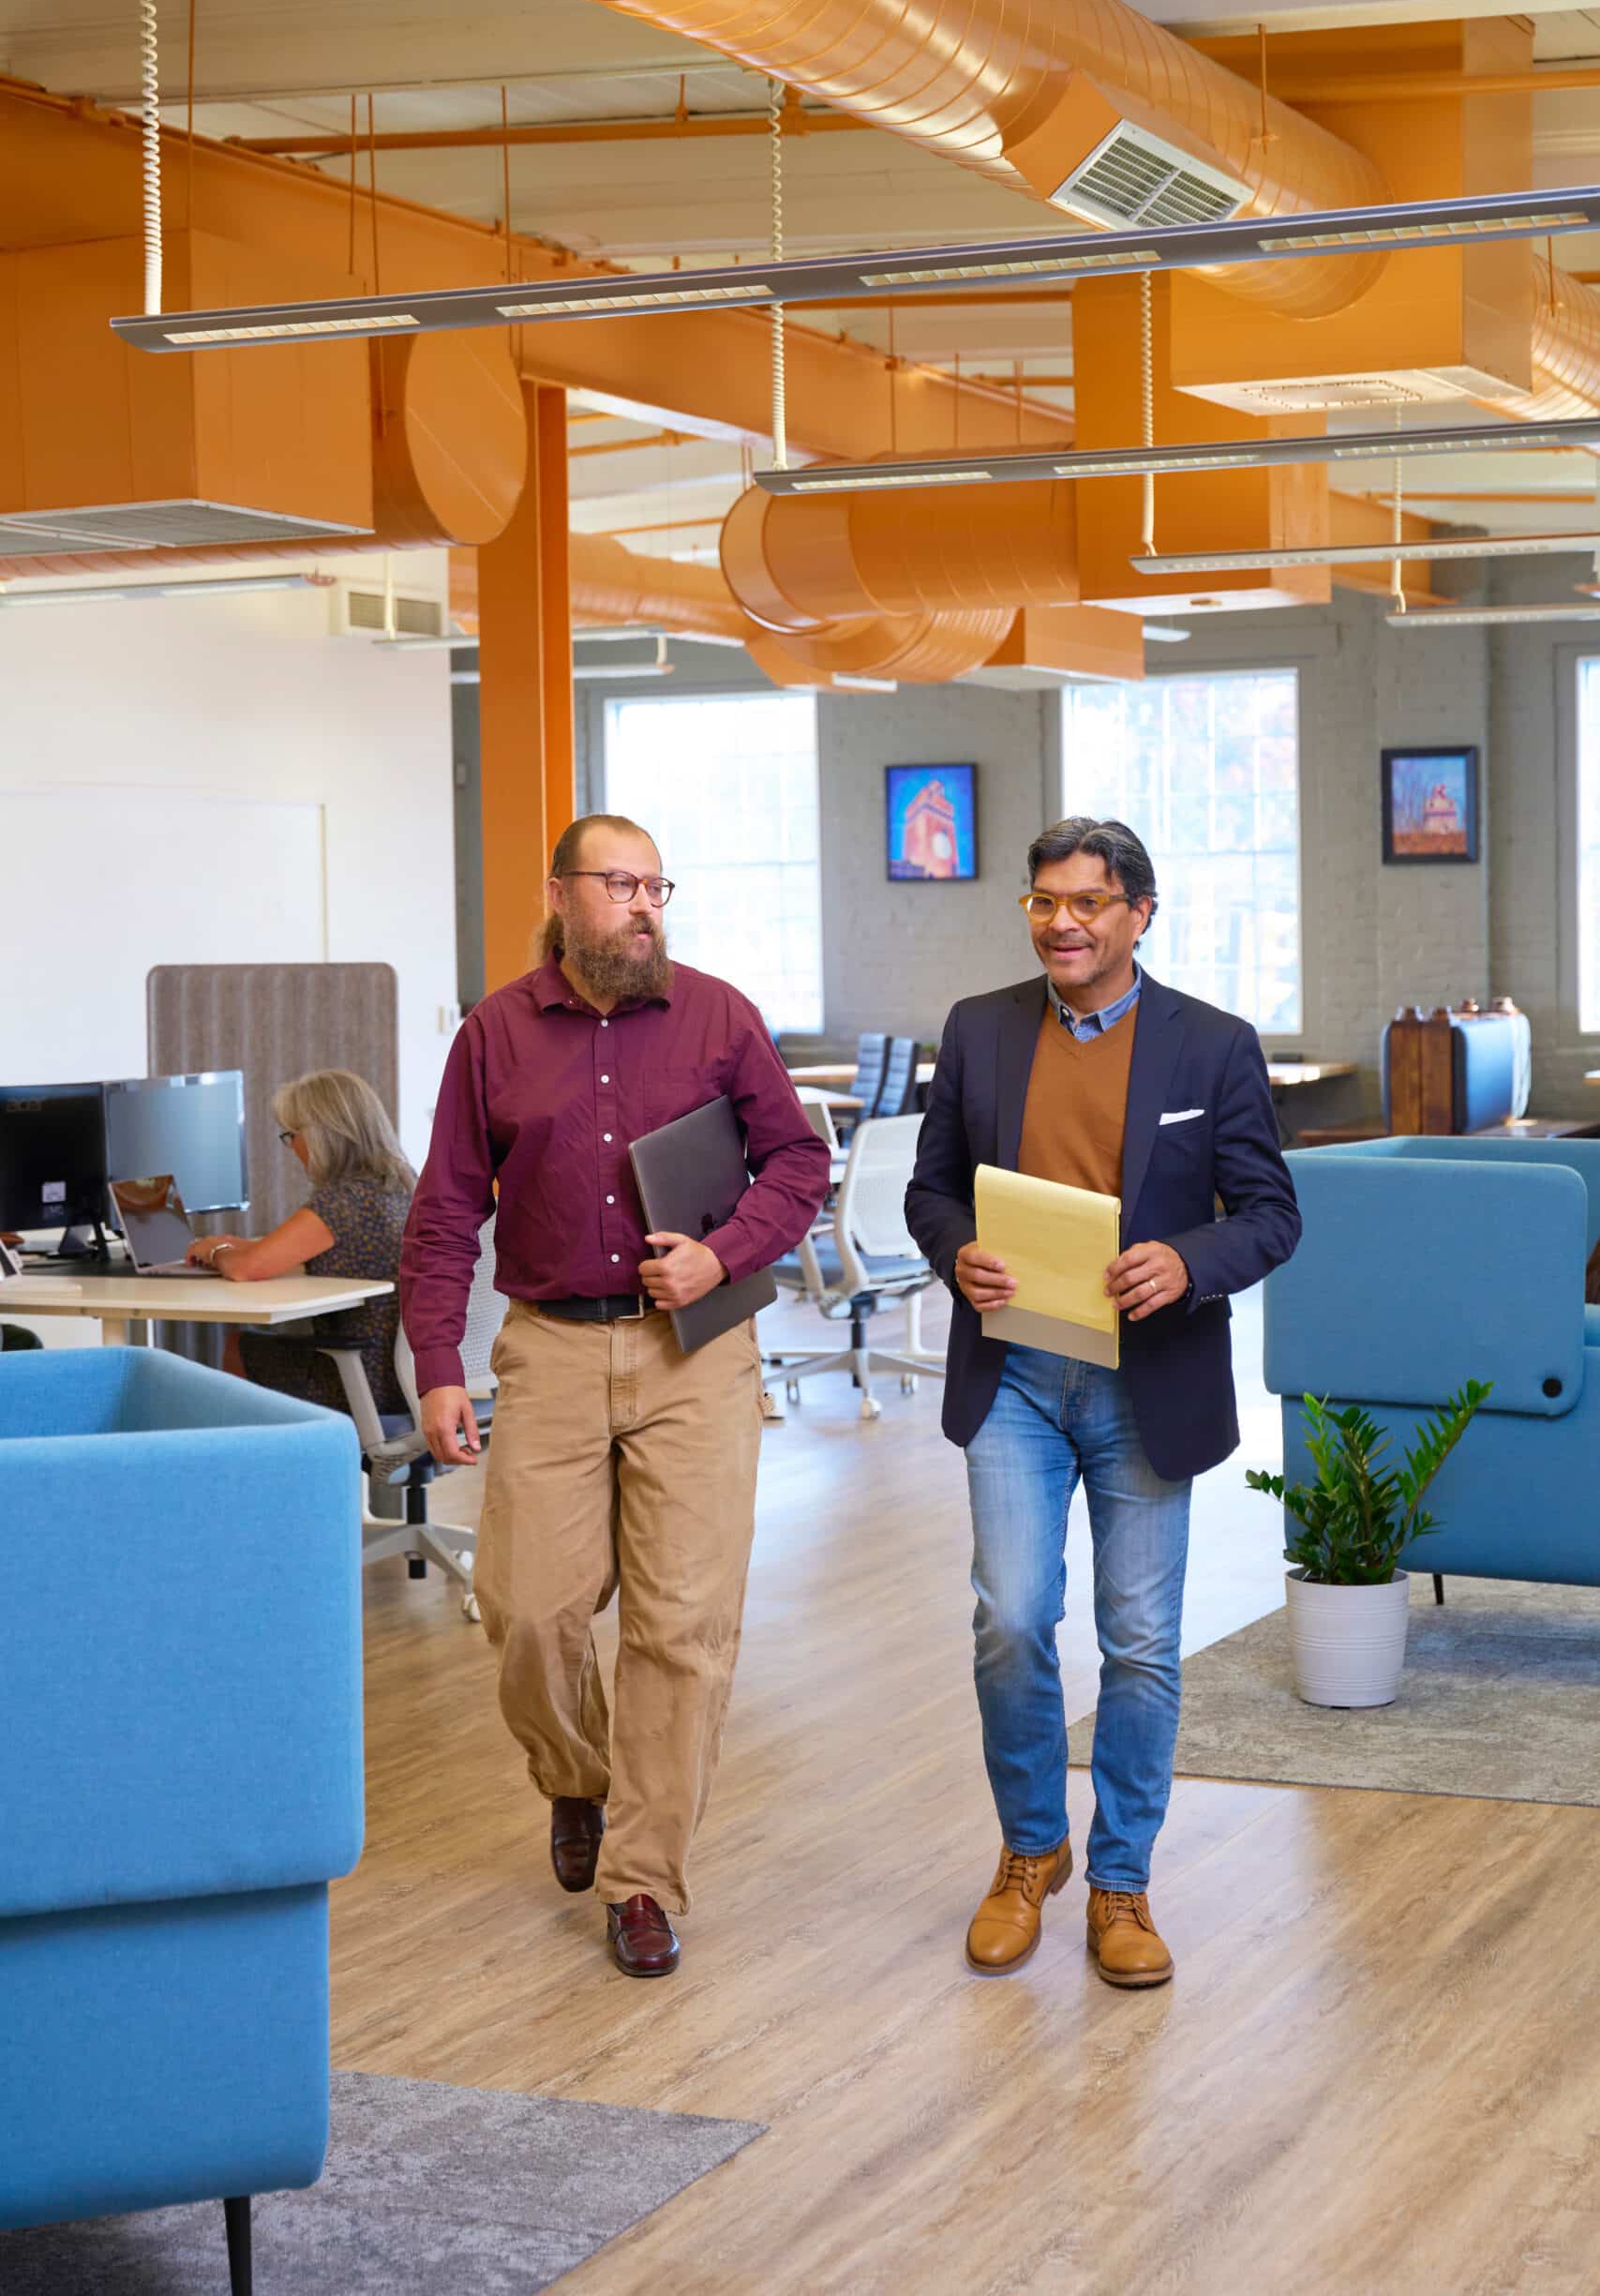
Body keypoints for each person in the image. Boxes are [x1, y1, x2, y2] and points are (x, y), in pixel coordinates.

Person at [401, 813, 830, 1980]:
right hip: (547, 1343)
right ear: (563, 894)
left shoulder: (718, 1015)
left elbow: (798, 1161)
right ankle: (576, 1776)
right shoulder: (494, 1034)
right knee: (528, 1610)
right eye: (622, 884)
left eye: (658, 885)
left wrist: (724, 1250)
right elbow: (444, 1211)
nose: (646, 905)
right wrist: (438, 1361)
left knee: (680, 1629)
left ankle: (644, 1877)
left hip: (693, 1351)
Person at [905, 818, 1301, 1990]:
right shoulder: (980, 1030)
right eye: (1043, 902)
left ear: (1139, 914)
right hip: (1015, 1377)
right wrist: (958, 1251)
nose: (1061, 923)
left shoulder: (1214, 1046)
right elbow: (932, 1191)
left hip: (1149, 1382)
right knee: (1012, 1621)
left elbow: (1271, 1214)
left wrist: (1188, 1260)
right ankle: (1033, 1851)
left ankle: (1122, 1881)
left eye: (1086, 903)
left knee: (1139, 1643)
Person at [186, 1067, 412, 1418]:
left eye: (292, 1135)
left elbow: (246, 1270)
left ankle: (265, 1464)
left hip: (360, 1380)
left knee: (239, 1347)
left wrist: (215, 1251)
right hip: (412, 1378)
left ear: (323, 1136)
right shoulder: (401, 1187)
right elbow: (287, 1252)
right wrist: (238, 1244)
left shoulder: (341, 1202)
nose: (291, 1148)